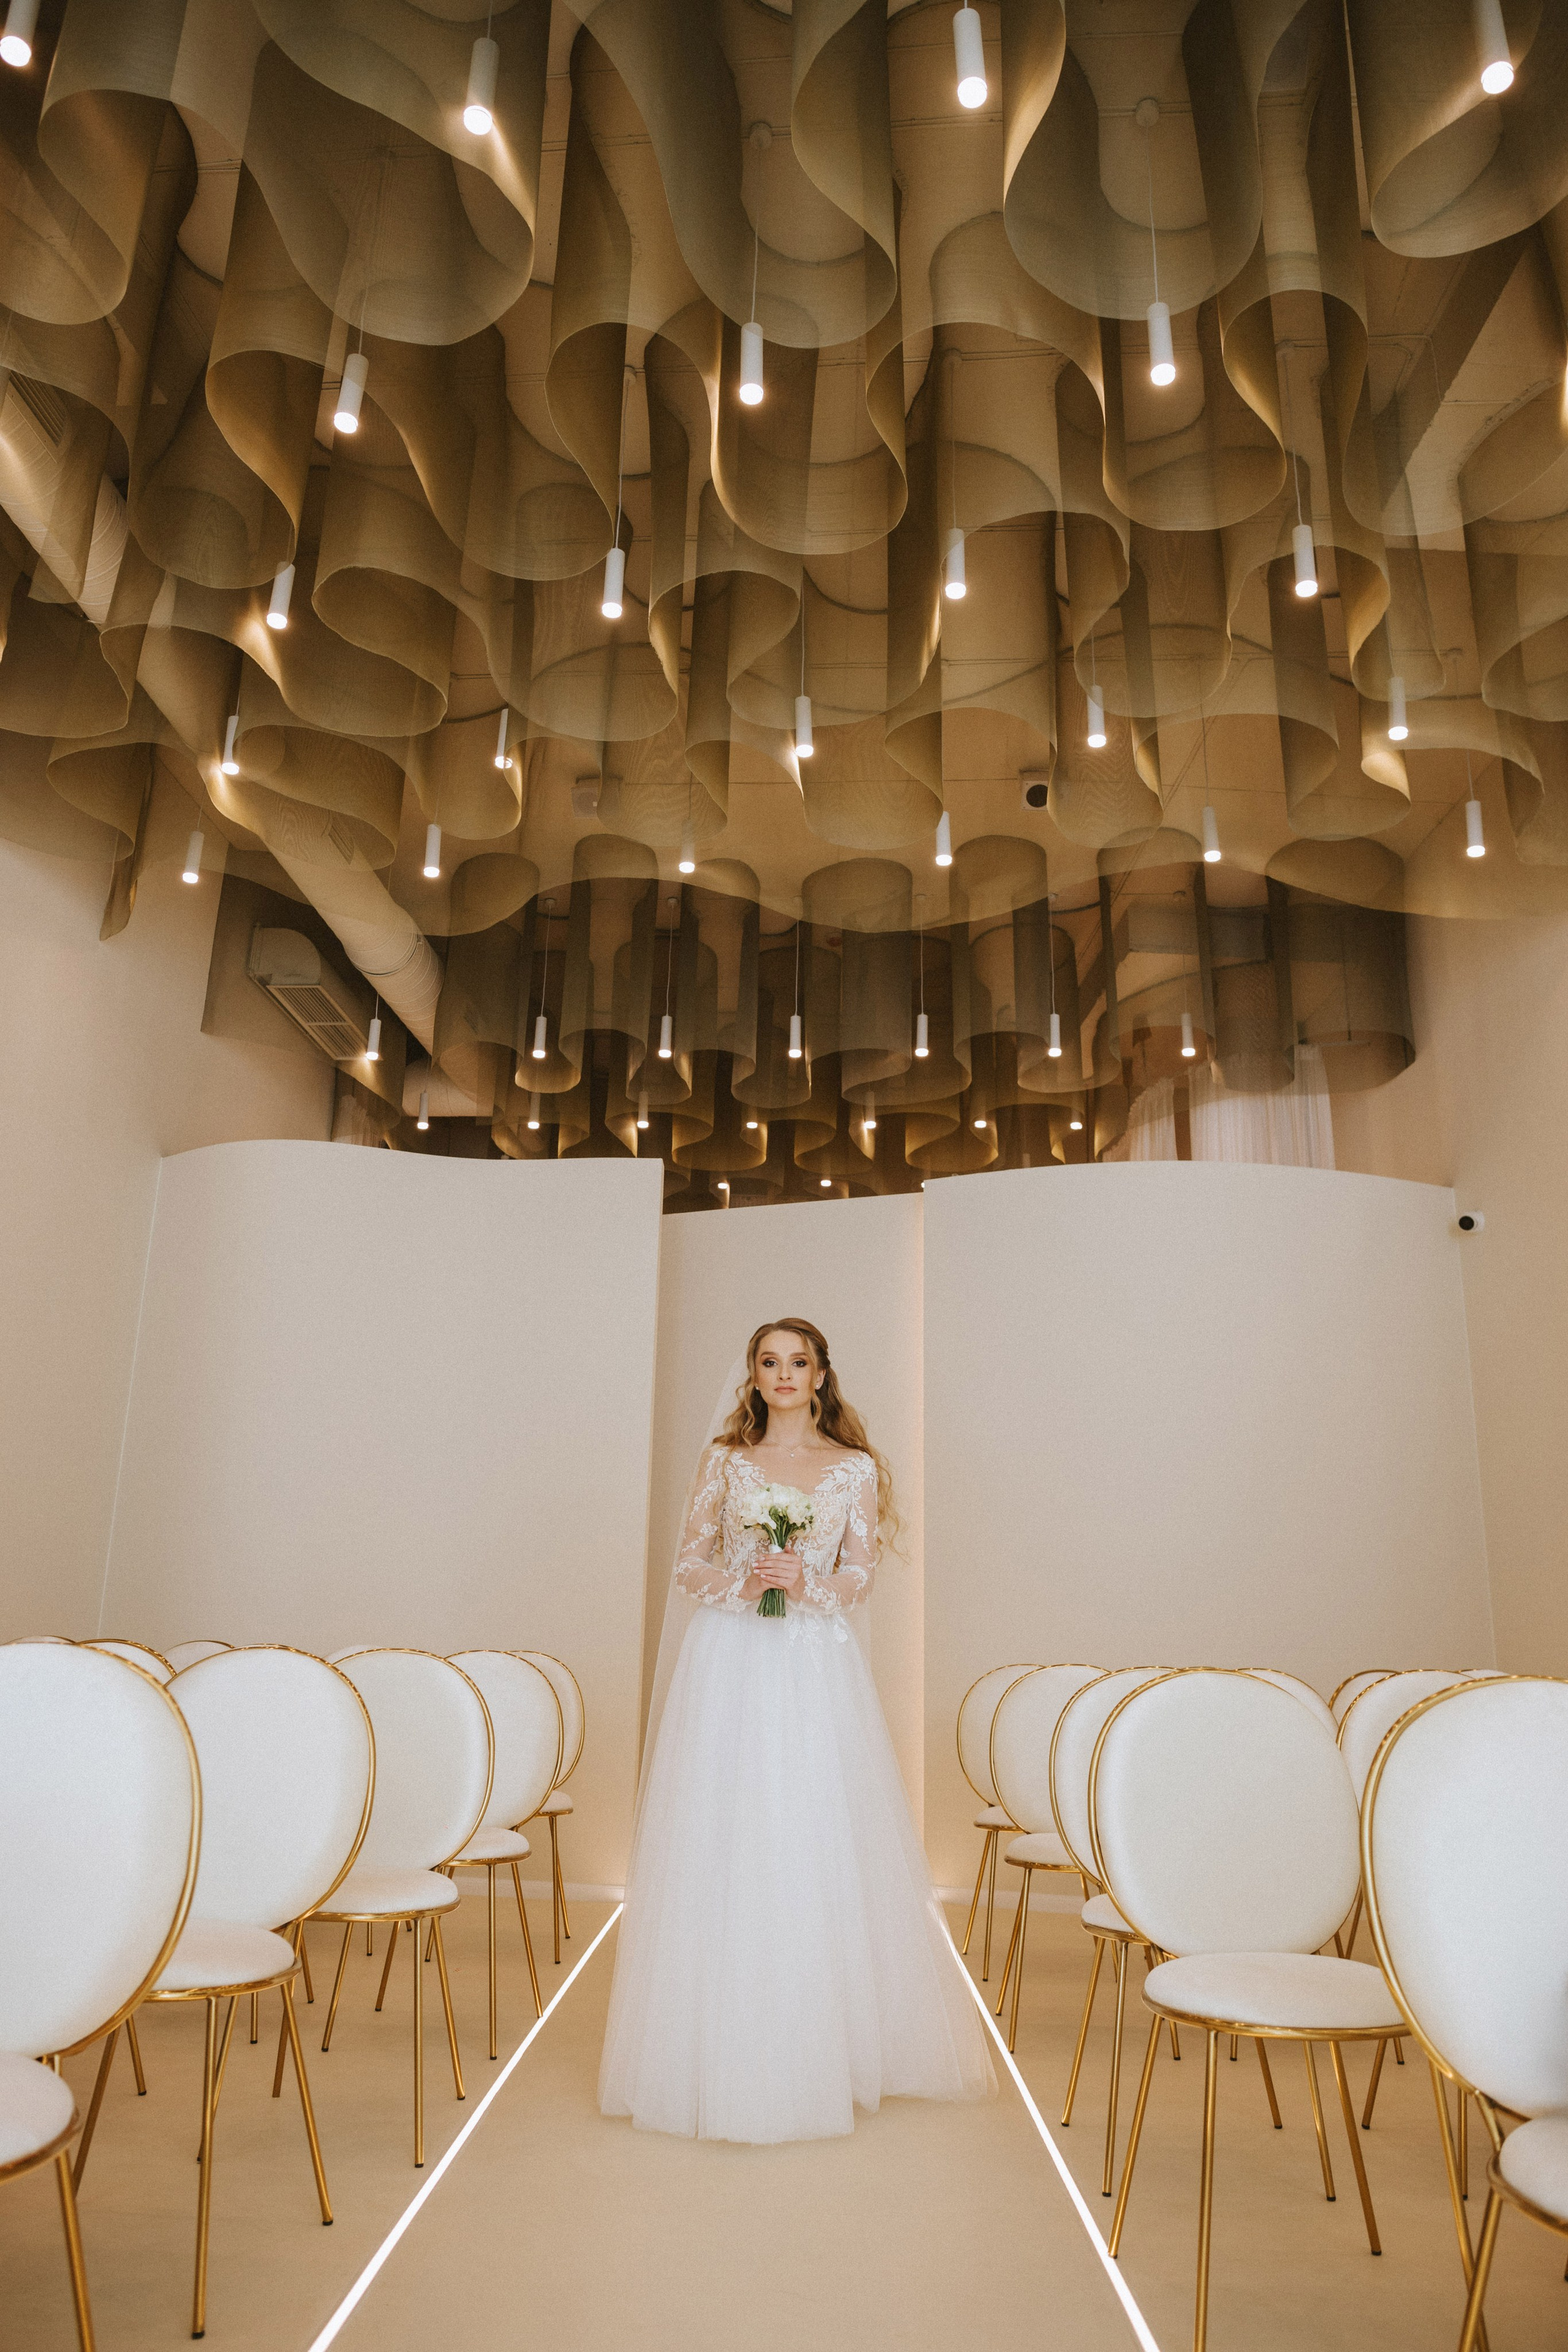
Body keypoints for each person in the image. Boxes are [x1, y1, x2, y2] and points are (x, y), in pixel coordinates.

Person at [599, 1318, 993, 2143]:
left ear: (821, 1376)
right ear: (753, 1374)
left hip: (813, 1663)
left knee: (811, 1828)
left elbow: (860, 1573)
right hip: (730, 1657)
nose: (784, 1375)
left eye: (799, 1362)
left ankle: (824, 2041)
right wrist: (744, 1581)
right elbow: (688, 1563)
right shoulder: (725, 1462)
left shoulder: (852, 1469)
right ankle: (709, 2044)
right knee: (726, 1826)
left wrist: (806, 1584)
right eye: (770, 1362)